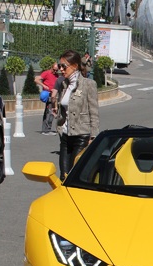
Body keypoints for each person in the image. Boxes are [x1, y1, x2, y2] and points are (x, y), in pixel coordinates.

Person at [55, 50, 100, 180]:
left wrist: (93, 135)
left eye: (64, 66)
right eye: (59, 66)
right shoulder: (64, 84)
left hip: (81, 136)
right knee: (63, 175)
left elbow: (94, 112)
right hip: (65, 135)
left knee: (75, 175)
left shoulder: (88, 84)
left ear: (74, 66)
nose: (61, 69)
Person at [35, 62, 59, 136]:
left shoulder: (56, 75)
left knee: (51, 111)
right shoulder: (46, 73)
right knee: (49, 111)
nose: (55, 71)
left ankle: (47, 129)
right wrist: (44, 85)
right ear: (51, 67)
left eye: (56, 70)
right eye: (54, 70)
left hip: (53, 95)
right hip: (48, 94)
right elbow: (36, 79)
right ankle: (46, 130)